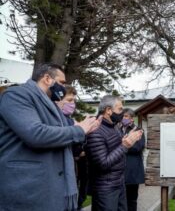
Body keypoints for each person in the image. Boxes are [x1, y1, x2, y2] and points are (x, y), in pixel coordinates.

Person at [0, 63, 101, 211]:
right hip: (27, 189)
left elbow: (59, 138)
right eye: (61, 82)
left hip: (50, 187)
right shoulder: (17, 95)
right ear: (47, 78)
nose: (63, 87)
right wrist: (78, 130)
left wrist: (85, 131)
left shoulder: (52, 105)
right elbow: (36, 134)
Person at [86, 95, 143, 211]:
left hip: (119, 184)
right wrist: (125, 145)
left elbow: (116, 149)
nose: (122, 113)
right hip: (105, 189)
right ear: (108, 110)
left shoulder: (114, 127)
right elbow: (103, 163)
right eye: (120, 109)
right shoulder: (96, 131)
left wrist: (127, 140)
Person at [55, 85, 89, 210]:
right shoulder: (56, 120)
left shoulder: (70, 119)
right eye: (69, 100)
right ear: (58, 100)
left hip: (76, 166)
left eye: (74, 100)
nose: (73, 104)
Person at [120, 108, 146, 211]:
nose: (123, 118)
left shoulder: (138, 130)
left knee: (132, 199)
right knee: (121, 199)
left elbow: (139, 147)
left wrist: (125, 145)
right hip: (120, 170)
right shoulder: (118, 128)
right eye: (123, 116)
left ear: (132, 118)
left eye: (126, 116)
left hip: (133, 170)